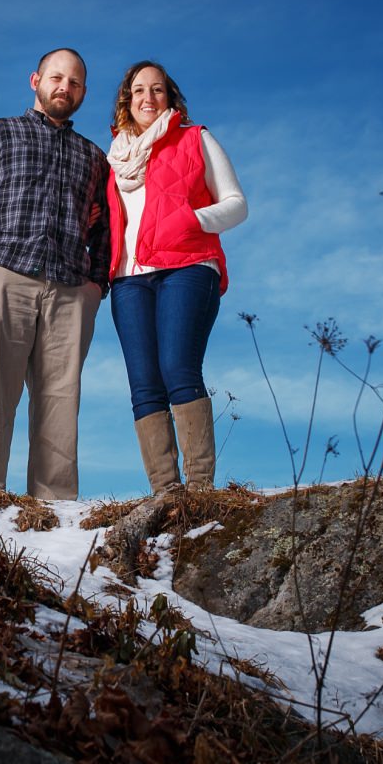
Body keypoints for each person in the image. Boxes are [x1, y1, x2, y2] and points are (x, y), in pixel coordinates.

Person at [0, 48, 111, 501]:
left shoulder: (94, 157)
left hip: (71, 289)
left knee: (60, 399)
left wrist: (97, 285)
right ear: (35, 79)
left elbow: (106, 227)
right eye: (57, 78)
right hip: (1, 275)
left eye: (74, 82)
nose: (65, 87)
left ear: (83, 92)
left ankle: (55, 512)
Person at [105, 60, 246, 494]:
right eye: (140, 90)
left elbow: (236, 204)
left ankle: (200, 488)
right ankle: (167, 492)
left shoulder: (194, 138)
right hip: (129, 279)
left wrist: (189, 220)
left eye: (158, 90)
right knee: (144, 382)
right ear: (127, 99)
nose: (149, 98)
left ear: (171, 97)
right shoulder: (114, 157)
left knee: (178, 368)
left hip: (187, 267)